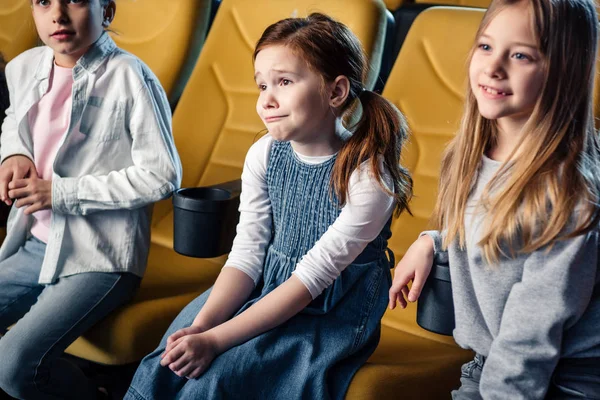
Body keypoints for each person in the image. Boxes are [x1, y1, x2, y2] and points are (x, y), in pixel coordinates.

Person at [126, 12, 412, 400]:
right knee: (165, 361)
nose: (267, 100)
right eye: (262, 85)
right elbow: (246, 255)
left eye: (284, 82)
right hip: (263, 285)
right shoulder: (263, 154)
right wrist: (204, 326)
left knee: (212, 381)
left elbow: (309, 280)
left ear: (336, 92)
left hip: (326, 309)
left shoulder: (368, 177)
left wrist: (216, 342)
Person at [389, 0, 600, 398]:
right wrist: (433, 242)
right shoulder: (468, 155)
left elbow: (529, 342)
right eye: (486, 47)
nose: (493, 67)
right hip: (490, 360)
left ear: (564, 70)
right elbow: (493, 235)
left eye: (520, 55)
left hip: (560, 379)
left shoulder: (567, 197)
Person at [0, 0, 182, 399]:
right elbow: (15, 119)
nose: (58, 15)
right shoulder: (25, 67)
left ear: (107, 11)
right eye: (44, 2)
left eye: (77, 1)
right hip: (35, 243)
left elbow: (163, 175)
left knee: (12, 366)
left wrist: (62, 193)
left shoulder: (131, 77)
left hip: (99, 257)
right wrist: (15, 153)